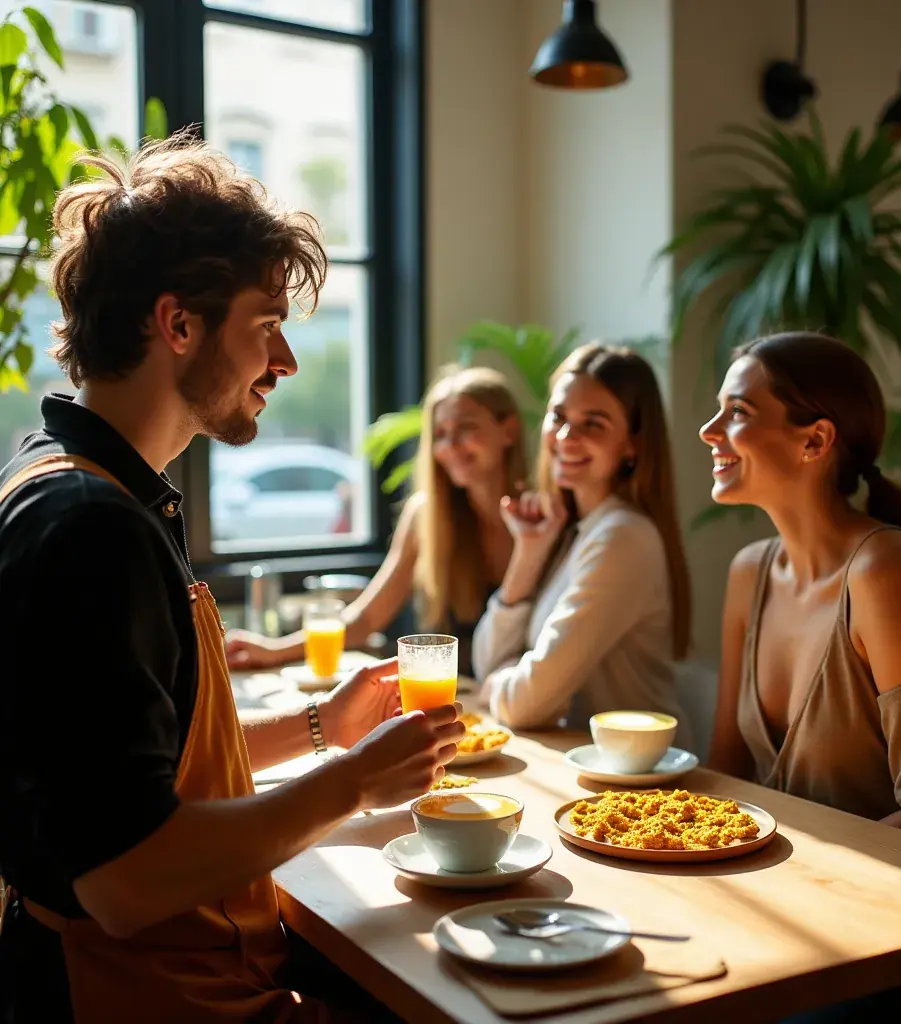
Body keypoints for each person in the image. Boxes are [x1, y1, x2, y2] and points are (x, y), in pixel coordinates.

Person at [0, 134, 464, 1024]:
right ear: (177, 325)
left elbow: (140, 766)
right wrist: (356, 782)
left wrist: (324, 725)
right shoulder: (90, 530)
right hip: (143, 997)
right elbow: (127, 880)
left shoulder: (81, 482)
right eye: (266, 326)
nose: (284, 363)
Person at [699, 332, 901, 1022]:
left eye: (737, 412)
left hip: (895, 951)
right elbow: (726, 770)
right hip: (782, 925)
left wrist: (783, 885)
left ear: (815, 440)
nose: (709, 430)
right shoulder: (749, 573)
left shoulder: (883, 573)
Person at [225, 365, 526, 679]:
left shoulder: (547, 515)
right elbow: (367, 620)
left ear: (509, 430)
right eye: (441, 434)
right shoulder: (425, 516)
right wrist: (274, 651)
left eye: (466, 428)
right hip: (458, 701)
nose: (450, 446)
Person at [473, 343, 691, 738]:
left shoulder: (623, 536)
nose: (566, 436)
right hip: (582, 761)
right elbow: (488, 660)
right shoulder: (575, 530)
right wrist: (528, 554)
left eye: (594, 423)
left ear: (632, 444)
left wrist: (495, 687)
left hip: (642, 779)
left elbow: (526, 703)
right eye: (558, 417)